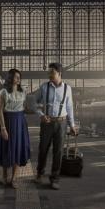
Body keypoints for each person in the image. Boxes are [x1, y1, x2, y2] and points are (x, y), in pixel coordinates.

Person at [31, 62, 78, 190]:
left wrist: (72, 125)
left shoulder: (67, 89)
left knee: (58, 152)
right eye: (49, 72)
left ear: (59, 73)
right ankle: (40, 174)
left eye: (52, 72)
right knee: (43, 149)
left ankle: (55, 178)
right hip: (47, 123)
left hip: (61, 123)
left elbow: (70, 107)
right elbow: (33, 102)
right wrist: (41, 114)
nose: (49, 75)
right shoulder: (44, 87)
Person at [0, 68, 31, 188]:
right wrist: (3, 128)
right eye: (16, 77)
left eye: (19, 77)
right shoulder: (3, 92)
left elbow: (24, 107)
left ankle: (14, 178)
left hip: (20, 121)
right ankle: (5, 175)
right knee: (6, 148)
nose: (18, 79)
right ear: (10, 78)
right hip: (8, 121)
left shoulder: (24, 91)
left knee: (18, 148)